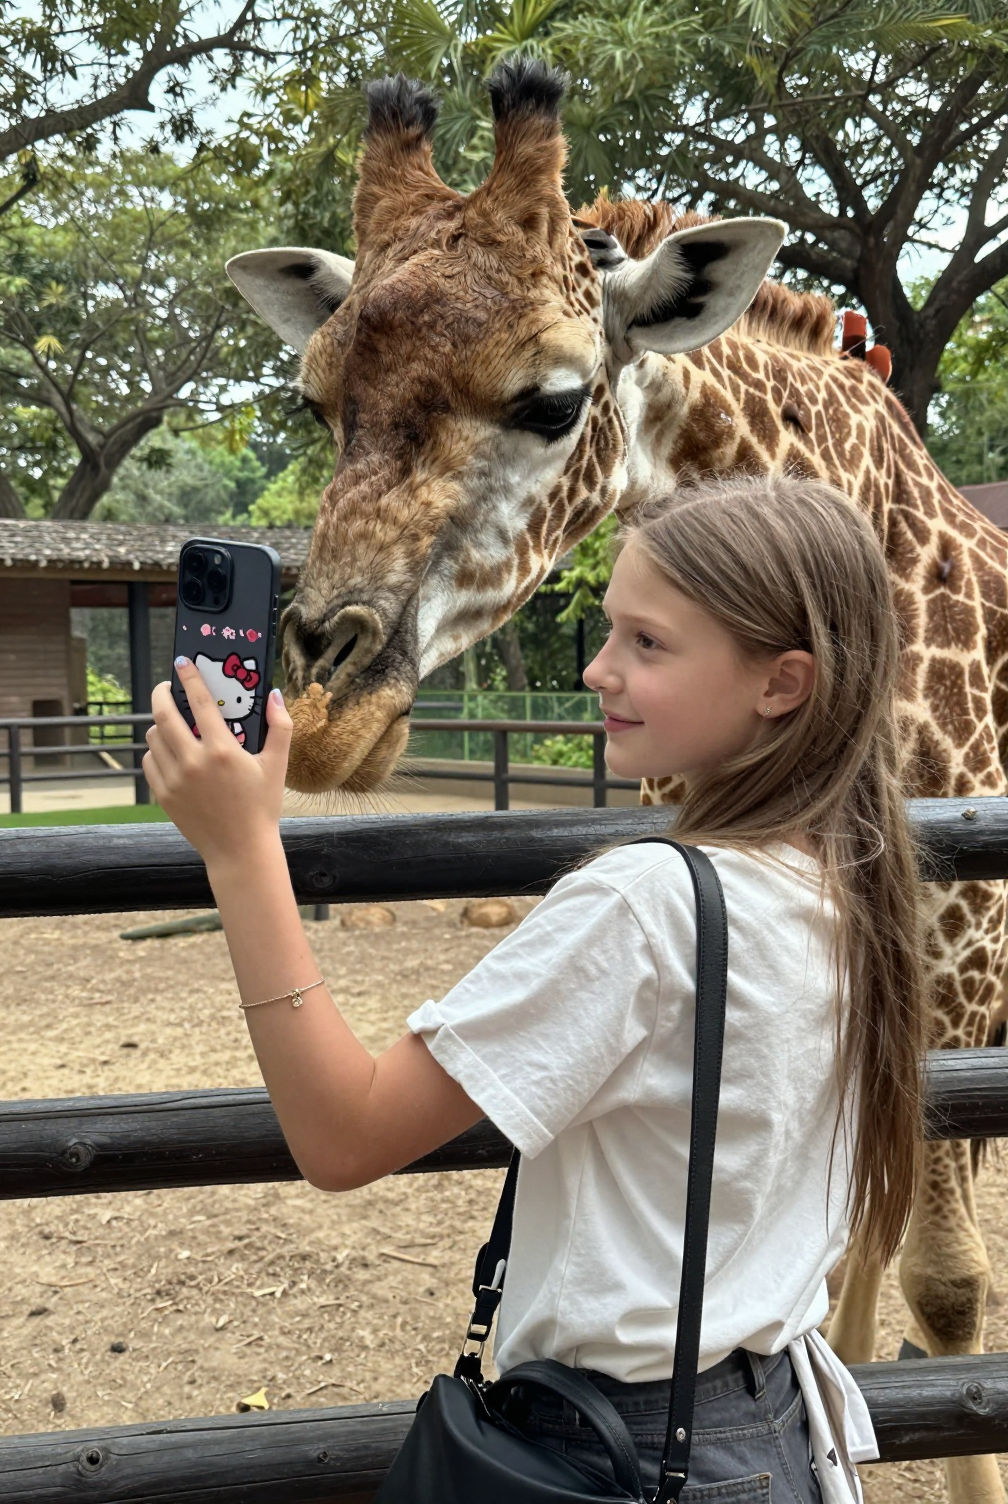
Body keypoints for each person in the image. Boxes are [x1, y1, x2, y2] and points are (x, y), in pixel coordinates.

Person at [144, 474, 927, 1504]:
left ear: (782, 684)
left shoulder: (649, 906)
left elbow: (344, 1134)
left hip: (625, 1452)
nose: (599, 668)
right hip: (774, 1436)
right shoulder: (852, 882)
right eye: (611, 631)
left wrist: (241, 850)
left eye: (649, 643)